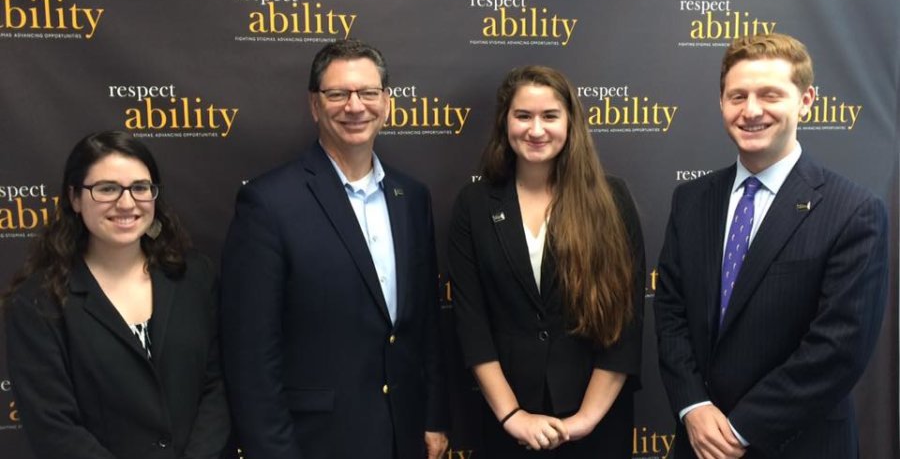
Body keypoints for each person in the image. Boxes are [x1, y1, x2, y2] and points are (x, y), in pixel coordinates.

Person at [654, 33, 888, 459]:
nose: (752, 110)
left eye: (770, 94)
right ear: (721, 103)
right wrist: (694, 406)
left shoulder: (854, 211)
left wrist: (739, 430)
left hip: (801, 444)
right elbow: (670, 313)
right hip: (698, 442)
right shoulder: (690, 201)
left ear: (806, 100)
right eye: (737, 95)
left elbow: (838, 349)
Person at [219, 39, 449, 459]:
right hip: (316, 443)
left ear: (388, 103)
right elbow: (250, 354)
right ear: (314, 105)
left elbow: (426, 323)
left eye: (368, 93)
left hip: (404, 434)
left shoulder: (412, 197)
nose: (355, 106)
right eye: (338, 94)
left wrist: (434, 415)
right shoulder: (268, 203)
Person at [448, 65, 645, 458]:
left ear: (570, 122)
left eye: (550, 116)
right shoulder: (474, 205)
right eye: (523, 116)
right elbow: (472, 323)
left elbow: (627, 321)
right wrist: (512, 415)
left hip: (597, 425)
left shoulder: (611, 199)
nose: (536, 130)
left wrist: (586, 419)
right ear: (505, 122)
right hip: (508, 425)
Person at [3, 131, 230, 459]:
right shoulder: (38, 302)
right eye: (107, 189)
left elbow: (217, 386)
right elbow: (53, 427)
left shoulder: (194, 276)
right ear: (75, 198)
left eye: (140, 188)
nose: (126, 203)